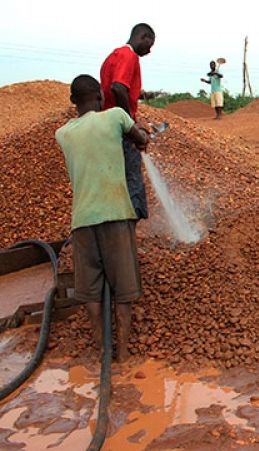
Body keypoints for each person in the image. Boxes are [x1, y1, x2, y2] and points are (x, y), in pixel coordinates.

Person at [56, 74, 152, 362]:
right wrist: (144, 135)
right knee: (123, 291)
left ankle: (102, 350)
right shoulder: (116, 116)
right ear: (100, 96)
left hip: (82, 222)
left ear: (73, 102)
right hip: (116, 214)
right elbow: (139, 139)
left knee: (92, 293)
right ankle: (122, 353)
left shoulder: (63, 134)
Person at [100, 23, 155, 220]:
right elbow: (117, 87)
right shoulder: (128, 55)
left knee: (118, 179)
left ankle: (118, 225)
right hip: (120, 129)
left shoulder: (113, 56)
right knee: (133, 180)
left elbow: (113, 89)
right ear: (143, 36)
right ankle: (128, 226)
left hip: (108, 126)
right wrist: (131, 124)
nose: (150, 50)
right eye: (151, 44)